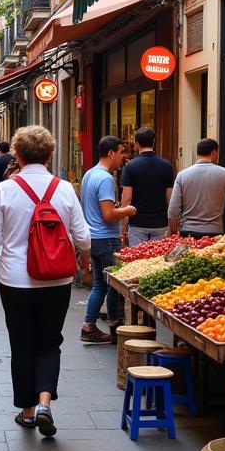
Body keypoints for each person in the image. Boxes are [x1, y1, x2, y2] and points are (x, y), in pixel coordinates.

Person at [0, 125, 91, 437]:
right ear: (49, 154)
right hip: (56, 280)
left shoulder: (5, 188)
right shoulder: (64, 188)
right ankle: (46, 403)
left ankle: (27, 411)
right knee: (50, 341)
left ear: (16, 155)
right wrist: (83, 256)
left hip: (15, 280)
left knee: (21, 344)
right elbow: (82, 236)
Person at [80, 136, 137, 344]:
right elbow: (108, 213)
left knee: (99, 285)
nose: (124, 157)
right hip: (105, 239)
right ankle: (114, 325)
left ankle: (89, 325)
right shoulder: (105, 178)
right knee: (112, 285)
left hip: (92, 238)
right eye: (122, 152)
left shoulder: (89, 174)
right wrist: (127, 211)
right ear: (112, 153)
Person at [168, 138, 225, 238]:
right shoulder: (224, 173)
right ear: (214, 153)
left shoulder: (182, 175)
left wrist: (174, 232)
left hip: (187, 232)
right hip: (213, 232)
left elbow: (173, 210)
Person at [120, 127, 175, 246]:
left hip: (137, 223)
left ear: (136, 143)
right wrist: (172, 225)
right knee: (157, 261)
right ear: (154, 142)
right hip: (160, 223)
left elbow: (126, 199)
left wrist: (123, 226)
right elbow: (170, 199)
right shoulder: (167, 166)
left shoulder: (130, 167)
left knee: (137, 261)